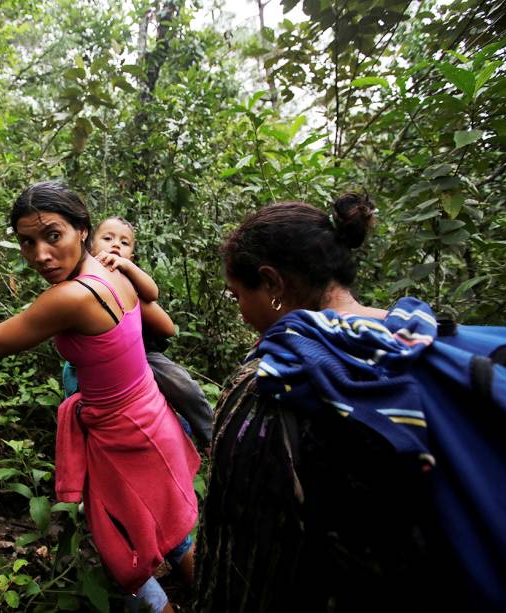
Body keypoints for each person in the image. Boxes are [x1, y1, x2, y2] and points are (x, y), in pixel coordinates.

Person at [0, 181, 200, 613]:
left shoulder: (70, 296)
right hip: (151, 416)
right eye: (28, 242)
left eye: (53, 236)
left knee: (125, 549)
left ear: (82, 230)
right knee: (170, 529)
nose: (40, 256)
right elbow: (159, 320)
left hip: (122, 434)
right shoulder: (114, 272)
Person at [195, 195, 456, 612]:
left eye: (237, 295)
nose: (242, 312)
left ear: (273, 283)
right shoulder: (423, 343)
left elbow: (240, 554)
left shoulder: (272, 382)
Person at [62, 216, 213, 451]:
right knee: (79, 407)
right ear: (90, 246)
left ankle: (209, 436)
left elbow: (153, 294)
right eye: (108, 238)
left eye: (124, 243)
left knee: (182, 385)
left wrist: (127, 268)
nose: (115, 245)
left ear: (131, 255)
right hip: (95, 363)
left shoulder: (128, 278)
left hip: (143, 353)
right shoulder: (80, 277)